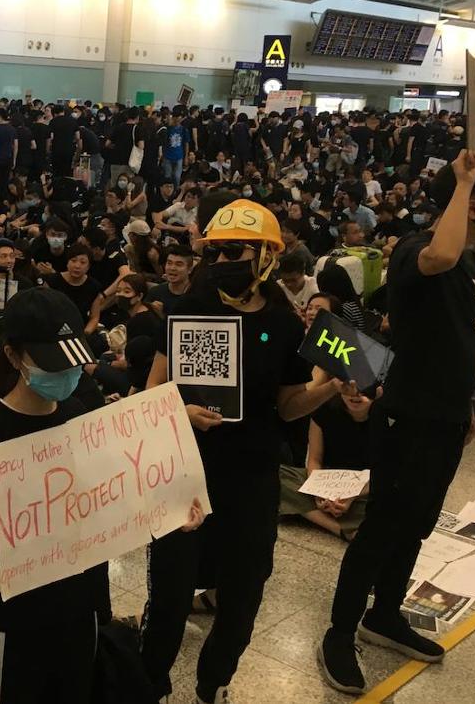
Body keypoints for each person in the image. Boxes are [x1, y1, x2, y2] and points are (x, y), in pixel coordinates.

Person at [141, 199, 348, 704]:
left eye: (236, 250)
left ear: (266, 257)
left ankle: (214, 682)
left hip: (252, 476)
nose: (225, 259)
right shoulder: (186, 307)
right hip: (185, 470)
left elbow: (288, 405)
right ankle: (149, 686)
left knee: (244, 591)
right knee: (169, 595)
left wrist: (329, 388)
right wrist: (179, 411)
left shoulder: (282, 323)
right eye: (216, 251)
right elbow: (150, 393)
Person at [321, 152, 475, 694]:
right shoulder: (415, 250)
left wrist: (462, 412)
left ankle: (385, 615)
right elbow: (441, 252)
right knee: (382, 528)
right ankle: (339, 633)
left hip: (445, 418)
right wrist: (465, 179)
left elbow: (451, 341)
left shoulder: (468, 265)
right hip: (408, 419)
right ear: (472, 205)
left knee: (416, 525)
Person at [0, 287, 112, 704]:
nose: (66, 375)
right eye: (52, 364)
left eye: (71, 362)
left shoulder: (79, 416)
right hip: (11, 620)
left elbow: (108, 500)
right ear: (15, 357)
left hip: (77, 608)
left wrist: (168, 507)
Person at [278, 389, 374, 540]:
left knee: (388, 503)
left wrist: (351, 495)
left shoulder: (386, 418)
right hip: (328, 481)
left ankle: (308, 512)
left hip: (364, 489)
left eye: (363, 391)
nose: (355, 396)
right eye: (349, 389)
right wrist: (319, 491)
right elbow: (315, 459)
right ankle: (338, 528)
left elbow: (387, 472)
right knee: (276, 476)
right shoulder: (324, 409)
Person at [147, 244, 194, 316]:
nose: (172, 268)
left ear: (190, 269)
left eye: (179, 264)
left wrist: (161, 315)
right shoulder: (155, 293)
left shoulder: (197, 295)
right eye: (169, 263)